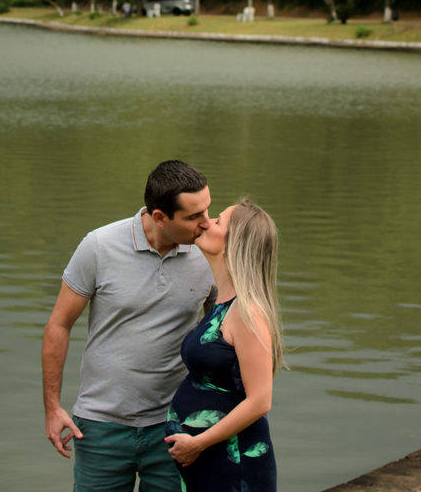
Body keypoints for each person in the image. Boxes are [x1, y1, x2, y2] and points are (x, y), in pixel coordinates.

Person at [43, 160, 217, 492]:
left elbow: (223, 334)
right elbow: (59, 325)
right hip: (100, 427)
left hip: (176, 429)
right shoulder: (99, 246)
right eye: (194, 217)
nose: (207, 224)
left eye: (208, 210)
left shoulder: (210, 254)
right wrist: (53, 408)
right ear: (160, 218)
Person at [164, 199, 281, 492]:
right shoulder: (223, 305)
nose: (205, 222)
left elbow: (260, 400)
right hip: (207, 458)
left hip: (233, 460)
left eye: (217, 221)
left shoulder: (247, 311)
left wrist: (197, 443)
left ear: (234, 244)